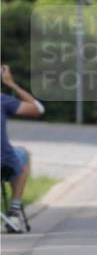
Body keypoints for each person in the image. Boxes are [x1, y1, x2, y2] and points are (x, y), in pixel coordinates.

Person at [1, 65, 44, 232]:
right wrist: (11, 84)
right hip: (2, 163)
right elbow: (38, 109)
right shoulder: (3, 100)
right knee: (22, 154)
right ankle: (14, 211)